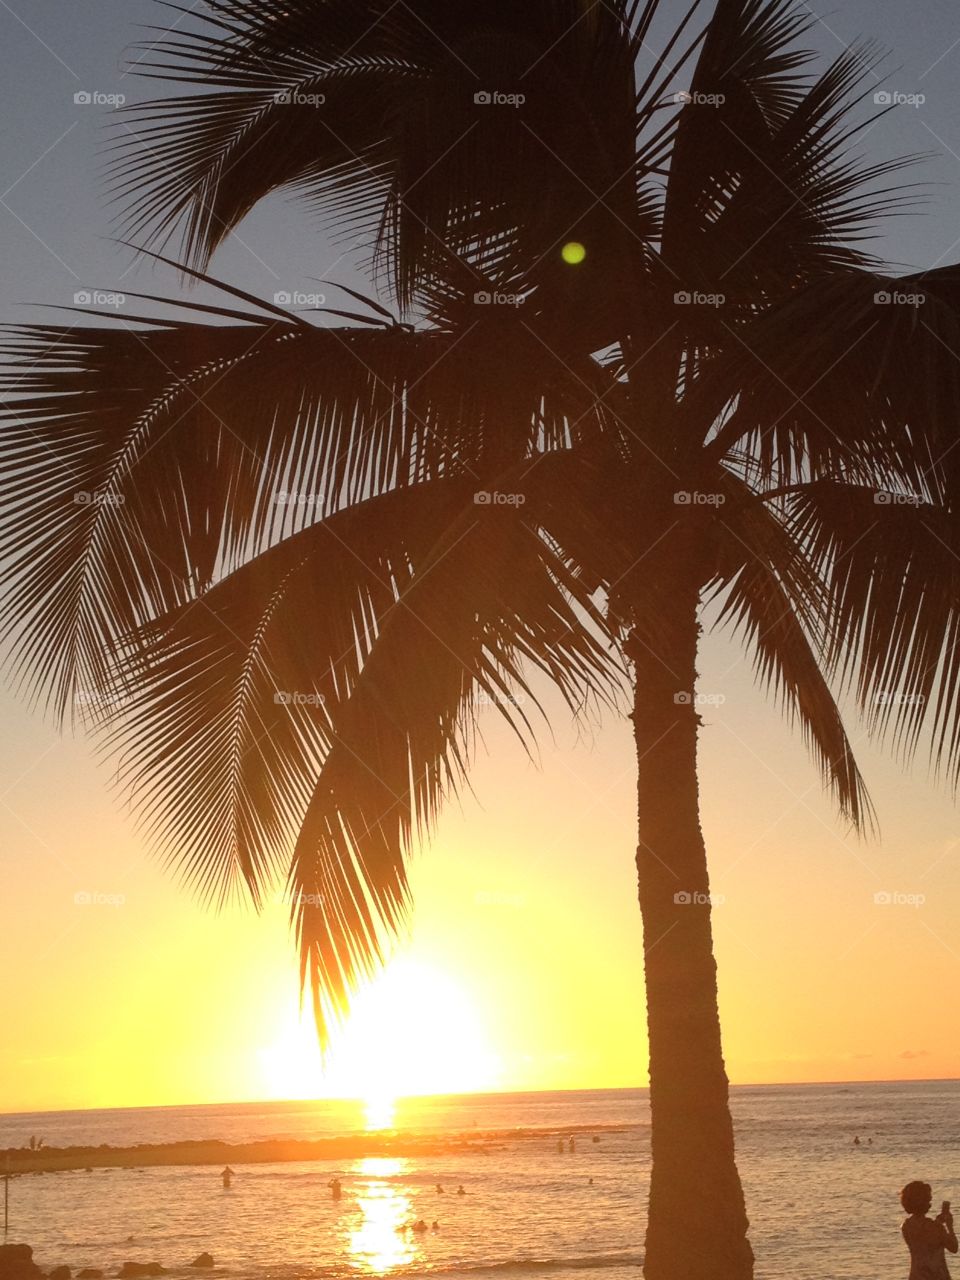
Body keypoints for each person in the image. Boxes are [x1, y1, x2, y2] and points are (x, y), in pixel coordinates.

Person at [901, 1181, 957, 1279]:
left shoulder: (906, 1226)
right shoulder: (936, 1228)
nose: (930, 1200)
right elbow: (953, 1247)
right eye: (928, 1198)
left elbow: (924, 1236)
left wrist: (938, 1222)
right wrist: (949, 1226)